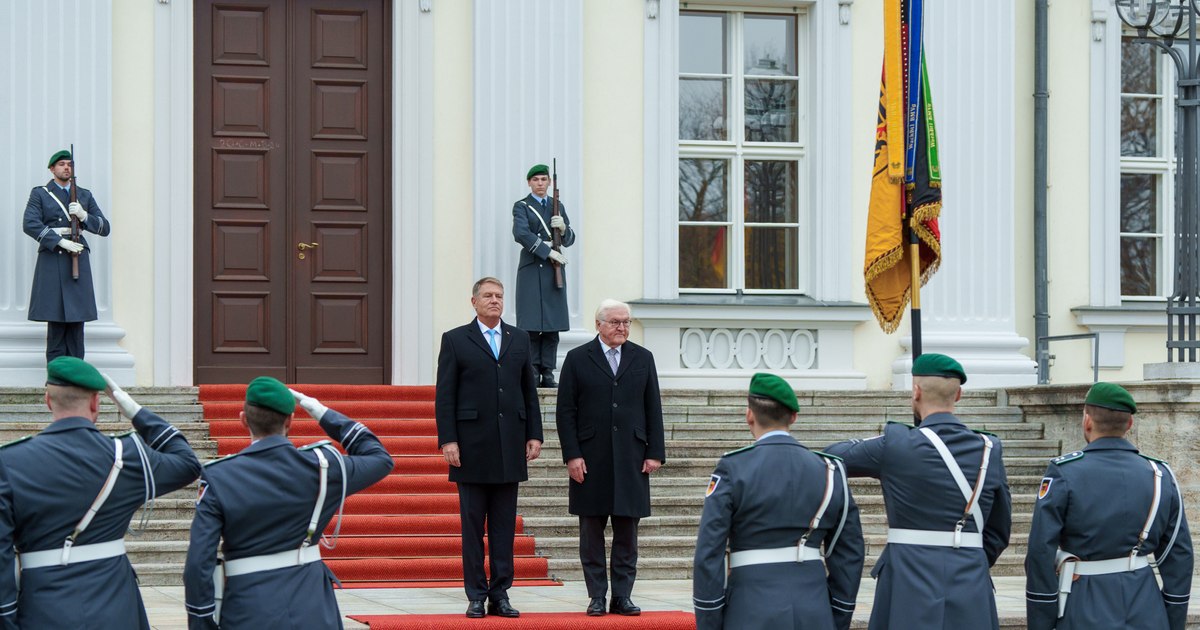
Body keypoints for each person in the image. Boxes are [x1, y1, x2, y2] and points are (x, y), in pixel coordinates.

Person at [0, 357, 201, 629]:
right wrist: (134, 410)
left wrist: (6, 618)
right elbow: (188, 464)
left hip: (44, 606)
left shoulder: (9, 462)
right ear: (96, 403)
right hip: (117, 605)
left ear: (48, 400)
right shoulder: (127, 455)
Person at [182, 377, 393, 629]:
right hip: (312, 604)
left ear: (243, 420)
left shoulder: (219, 476)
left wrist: (202, 622)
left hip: (249, 605)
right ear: (290, 421)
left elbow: (198, 561)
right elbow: (380, 458)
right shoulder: (323, 468)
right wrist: (321, 412)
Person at [824, 353, 1011, 630]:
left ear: (916, 391)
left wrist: (885, 443)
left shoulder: (897, 444)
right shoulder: (989, 449)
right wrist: (968, 555)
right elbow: (999, 527)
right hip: (970, 574)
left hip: (907, 578)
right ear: (958, 395)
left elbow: (833, 457)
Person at [693, 373, 864, 630]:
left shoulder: (733, 468)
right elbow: (849, 551)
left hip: (750, 608)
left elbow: (710, 552)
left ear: (749, 414)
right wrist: (837, 613)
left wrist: (710, 619)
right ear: (793, 417)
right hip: (814, 607)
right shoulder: (830, 470)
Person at [1024, 382, 1193, 630]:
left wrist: (1042, 620)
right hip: (1146, 602)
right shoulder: (1160, 474)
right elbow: (1178, 555)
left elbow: (1040, 551)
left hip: (1084, 601)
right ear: (1130, 424)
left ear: (1087, 420)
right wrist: (1172, 619)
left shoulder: (1064, 472)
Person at [435, 277, 544, 618]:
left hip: (510, 444)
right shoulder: (455, 340)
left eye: (499, 296)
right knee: (472, 526)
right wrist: (448, 439)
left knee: (502, 526)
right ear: (474, 301)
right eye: (488, 296)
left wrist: (534, 434)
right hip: (471, 447)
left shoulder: (519, 339)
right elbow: (445, 395)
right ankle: (476, 595)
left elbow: (529, 390)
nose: (495, 301)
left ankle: (501, 593)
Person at [556, 299, 666, 616]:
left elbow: (652, 408)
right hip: (590, 458)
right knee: (591, 533)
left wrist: (654, 452)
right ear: (599, 324)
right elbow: (566, 413)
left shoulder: (643, 358)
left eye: (626, 322)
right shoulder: (577, 359)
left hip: (632, 457)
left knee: (627, 534)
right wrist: (572, 455)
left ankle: (622, 596)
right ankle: (596, 596)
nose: (622, 328)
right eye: (616, 322)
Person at [23, 149, 112, 361]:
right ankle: (55, 383)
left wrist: (84, 215)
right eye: (61, 164)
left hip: (78, 259)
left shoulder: (84, 195)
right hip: (53, 259)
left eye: (69, 164)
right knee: (55, 323)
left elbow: (104, 227)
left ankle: (76, 383)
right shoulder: (41, 194)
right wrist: (59, 241)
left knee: (76, 321)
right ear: (52, 168)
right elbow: (30, 223)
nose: (66, 167)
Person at [512, 163, 576, 388]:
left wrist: (564, 229)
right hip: (532, 267)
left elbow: (569, 239)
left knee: (552, 324)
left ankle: (548, 372)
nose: (540, 183)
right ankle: (532, 370)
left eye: (543, 179)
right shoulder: (522, 206)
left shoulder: (558, 206)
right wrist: (547, 251)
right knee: (530, 324)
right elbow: (520, 233)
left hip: (553, 270)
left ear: (549, 182)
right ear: (529, 182)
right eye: (536, 179)